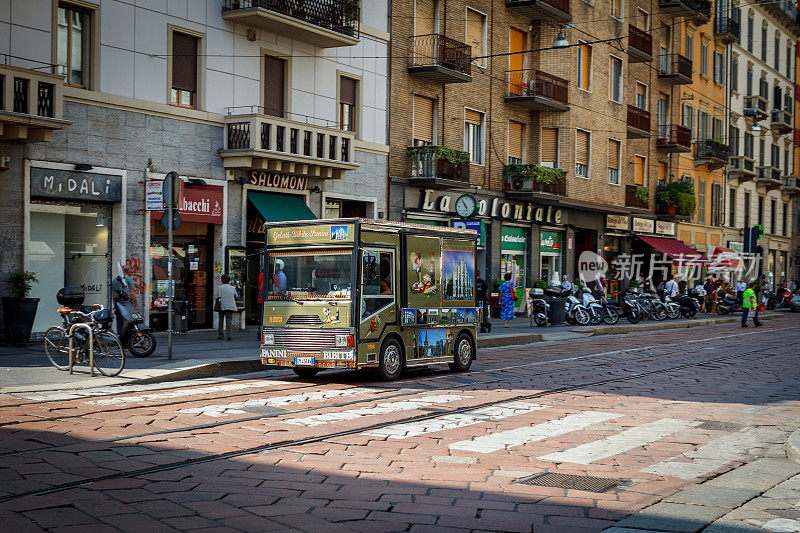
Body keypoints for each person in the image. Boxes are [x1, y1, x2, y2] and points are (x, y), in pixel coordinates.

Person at [112, 266, 138, 334]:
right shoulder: (129, 279)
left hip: (118, 303)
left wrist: (115, 305)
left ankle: (120, 337)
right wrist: (135, 305)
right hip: (127, 303)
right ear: (128, 271)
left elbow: (113, 295)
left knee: (120, 321)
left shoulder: (115, 280)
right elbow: (132, 294)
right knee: (129, 320)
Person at [217, 274, 238, 341]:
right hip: (230, 306)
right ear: (229, 281)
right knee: (229, 321)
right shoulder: (232, 288)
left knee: (221, 321)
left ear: (221, 280)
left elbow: (217, 296)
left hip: (222, 306)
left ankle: (221, 335)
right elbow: (236, 295)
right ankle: (229, 335)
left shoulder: (220, 288)